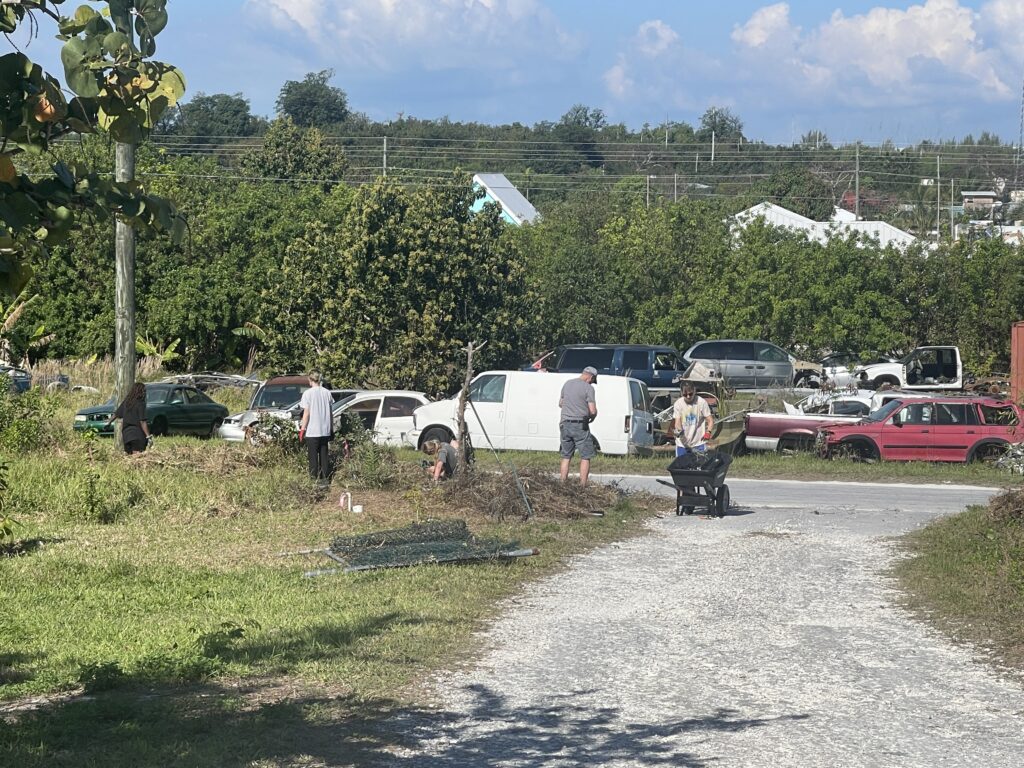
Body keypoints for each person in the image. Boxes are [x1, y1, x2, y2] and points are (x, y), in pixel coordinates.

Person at [559, 366, 598, 487]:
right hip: (580, 424)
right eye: (592, 380)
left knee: (566, 455)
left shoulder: (567, 384)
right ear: (590, 377)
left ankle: (562, 483)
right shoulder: (588, 388)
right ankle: (582, 486)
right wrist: (593, 416)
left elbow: (561, 403)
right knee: (585, 456)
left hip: (564, 423)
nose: (591, 382)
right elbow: (592, 410)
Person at [298, 371, 334, 484]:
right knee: (324, 456)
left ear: (310, 380)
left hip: (313, 431)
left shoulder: (307, 394)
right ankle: (325, 480)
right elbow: (331, 413)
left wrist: (302, 429)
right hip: (325, 430)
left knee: (313, 458)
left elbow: (306, 413)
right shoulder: (327, 393)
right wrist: (331, 429)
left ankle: (313, 481)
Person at [672, 384, 714, 457]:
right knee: (681, 466)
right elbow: (677, 422)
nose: (688, 397)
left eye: (690, 394)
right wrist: (679, 431)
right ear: (681, 393)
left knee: (700, 465)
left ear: (694, 391)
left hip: (698, 442)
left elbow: (710, 420)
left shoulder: (701, 402)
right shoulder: (678, 404)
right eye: (685, 395)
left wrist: (708, 432)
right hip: (682, 444)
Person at [112, 382, 151, 455]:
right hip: (137, 435)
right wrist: (148, 436)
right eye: (144, 391)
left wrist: (109, 422)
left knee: (130, 456)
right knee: (137, 457)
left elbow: (116, 414)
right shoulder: (140, 404)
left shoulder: (127, 402)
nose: (145, 393)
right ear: (141, 392)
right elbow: (142, 421)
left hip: (126, 435)